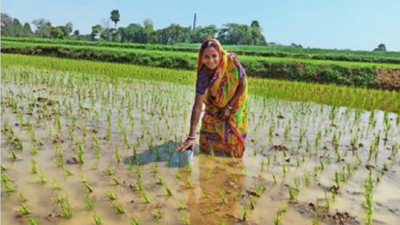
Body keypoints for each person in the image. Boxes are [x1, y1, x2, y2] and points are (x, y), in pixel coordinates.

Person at [175, 38, 248, 158]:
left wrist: (229, 106)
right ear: (201, 58)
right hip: (216, 101)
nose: (211, 61)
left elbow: (243, 84)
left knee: (232, 130)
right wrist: (191, 136)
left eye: (214, 56)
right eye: (206, 57)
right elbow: (198, 105)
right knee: (208, 132)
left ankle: (232, 159)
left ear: (220, 54)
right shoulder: (203, 75)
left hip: (236, 97)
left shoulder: (231, 62)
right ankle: (209, 157)